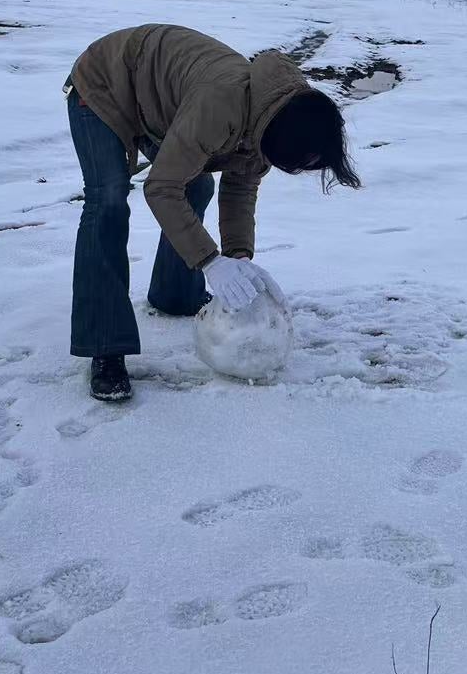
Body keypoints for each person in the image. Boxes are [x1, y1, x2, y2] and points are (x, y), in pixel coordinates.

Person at [66, 24, 360, 402]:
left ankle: (175, 295)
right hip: (105, 84)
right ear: (286, 140)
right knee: (107, 199)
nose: (300, 169)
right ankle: (104, 345)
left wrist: (238, 255)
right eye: (303, 162)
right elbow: (160, 187)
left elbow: (241, 186)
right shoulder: (221, 105)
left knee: (197, 184)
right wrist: (209, 261)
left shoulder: (271, 116)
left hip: (157, 103)